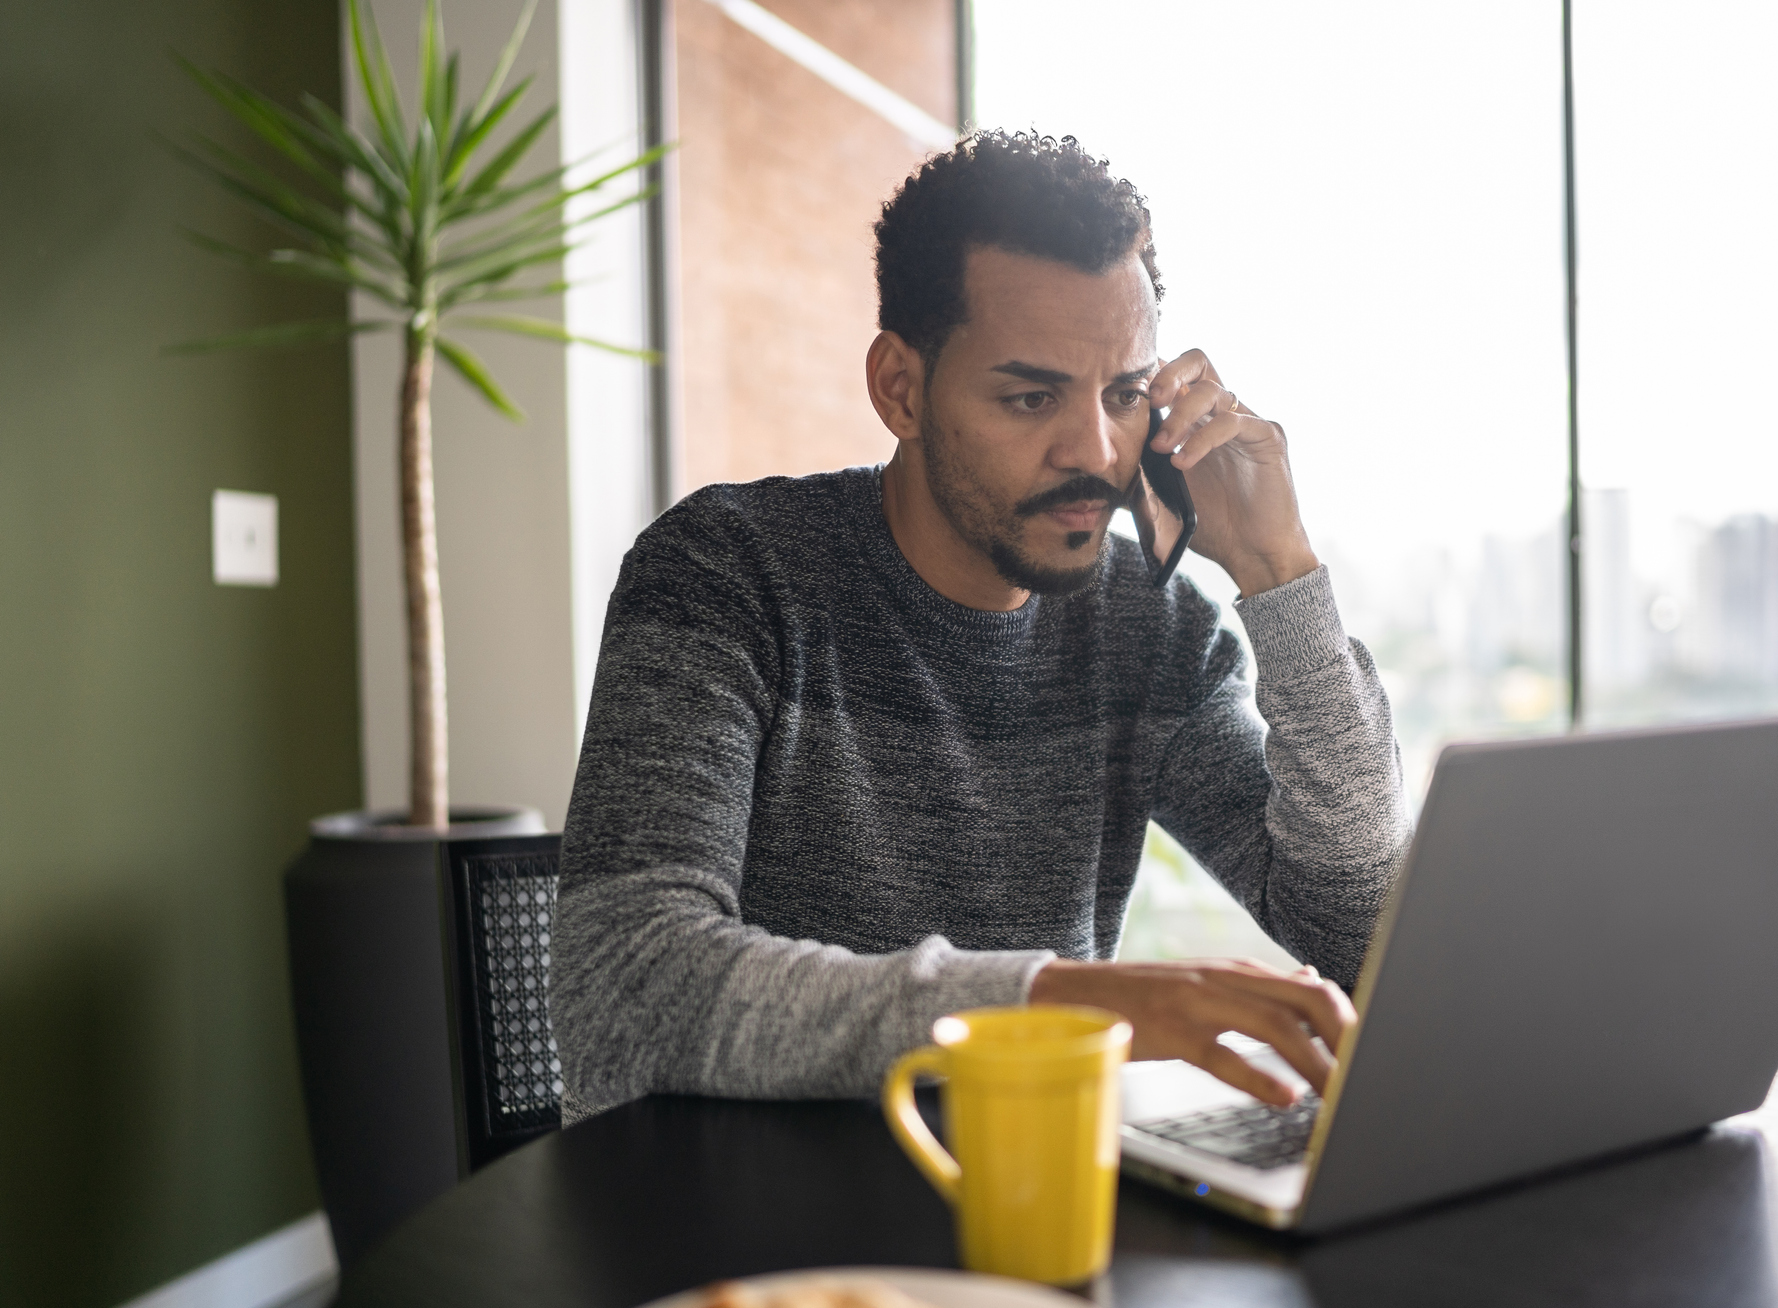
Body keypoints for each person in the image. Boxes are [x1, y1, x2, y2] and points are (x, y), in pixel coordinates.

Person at [552, 131, 1406, 1122]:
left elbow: (1362, 936)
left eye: (1125, 395)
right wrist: (1054, 1002)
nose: (1093, 450)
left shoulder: (1153, 626)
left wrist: (1279, 573)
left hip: (1028, 1202)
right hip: (749, 1226)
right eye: (1031, 395)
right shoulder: (727, 570)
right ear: (899, 388)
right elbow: (623, 983)